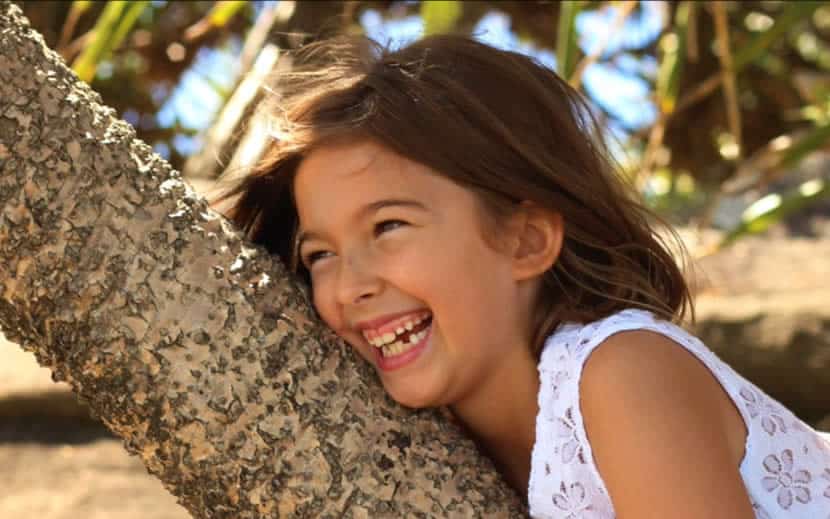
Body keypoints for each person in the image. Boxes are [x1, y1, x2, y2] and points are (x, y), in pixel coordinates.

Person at [212, 34, 830, 518]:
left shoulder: (623, 373)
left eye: (388, 227)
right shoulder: (433, 436)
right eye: (320, 254)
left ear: (526, 240)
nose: (350, 286)